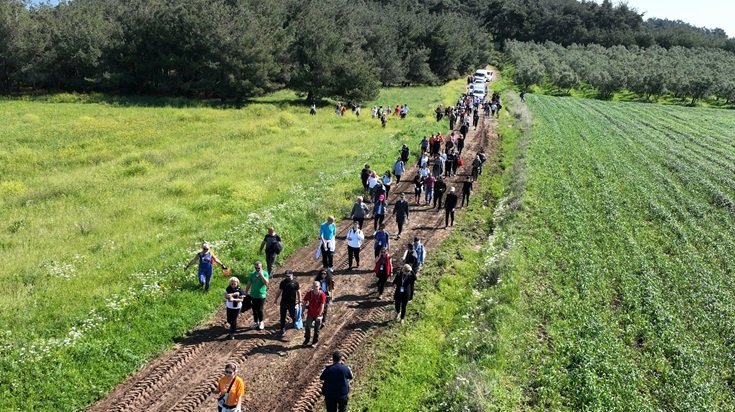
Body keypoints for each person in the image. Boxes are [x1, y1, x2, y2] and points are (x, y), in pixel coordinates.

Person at [274, 270, 301, 337]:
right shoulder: (283, 282)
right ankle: (282, 329)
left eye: (289, 276)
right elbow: (279, 291)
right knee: (282, 316)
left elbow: (298, 291)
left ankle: (295, 322)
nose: (287, 277)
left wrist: (300, 300)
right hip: (283, 302)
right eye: (286, 276)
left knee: (292, 314)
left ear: (292, 275)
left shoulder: (295, 283)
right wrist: (276, 299)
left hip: (292, 302)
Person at [245, 261, 269, 330]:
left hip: (261, 295)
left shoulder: (265, 273)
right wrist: (246, 292)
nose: (257, 269)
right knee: (254, 309)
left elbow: (266, 283)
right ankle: (256, 322)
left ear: (261, 267)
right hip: (253, 295)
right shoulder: (252, 274)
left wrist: (261, 275)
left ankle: (261, 322)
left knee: (260, 309)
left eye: (258, 268)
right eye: (256, 268)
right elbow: (249, 283)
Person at [303, 280, 327, 347]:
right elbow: (304, 302)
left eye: (316, 286)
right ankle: (306, 340)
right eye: (314, 286)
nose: (315, 288)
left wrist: (319, 315)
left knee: (317, 329)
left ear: (319, 287)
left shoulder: (322, 295)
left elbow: (322, 306)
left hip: (318, 314)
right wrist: (302, 311)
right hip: (310, 313)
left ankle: (315, 342)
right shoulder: (309, 293)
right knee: (307, 327)